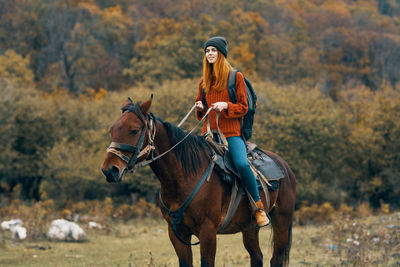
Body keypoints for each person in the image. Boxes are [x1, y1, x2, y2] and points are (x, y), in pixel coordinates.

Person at [194, 36, 269, 228]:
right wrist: (200, 106)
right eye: (207, 51)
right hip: (208, 135)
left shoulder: (236, 77)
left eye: (213, 50)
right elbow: (200, 116)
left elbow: (244, 107)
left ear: (221, 54)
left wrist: (226, 105)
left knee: (242, 164)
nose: (209, 53)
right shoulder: (203, 82)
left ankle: (257, 207)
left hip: (231, 133)